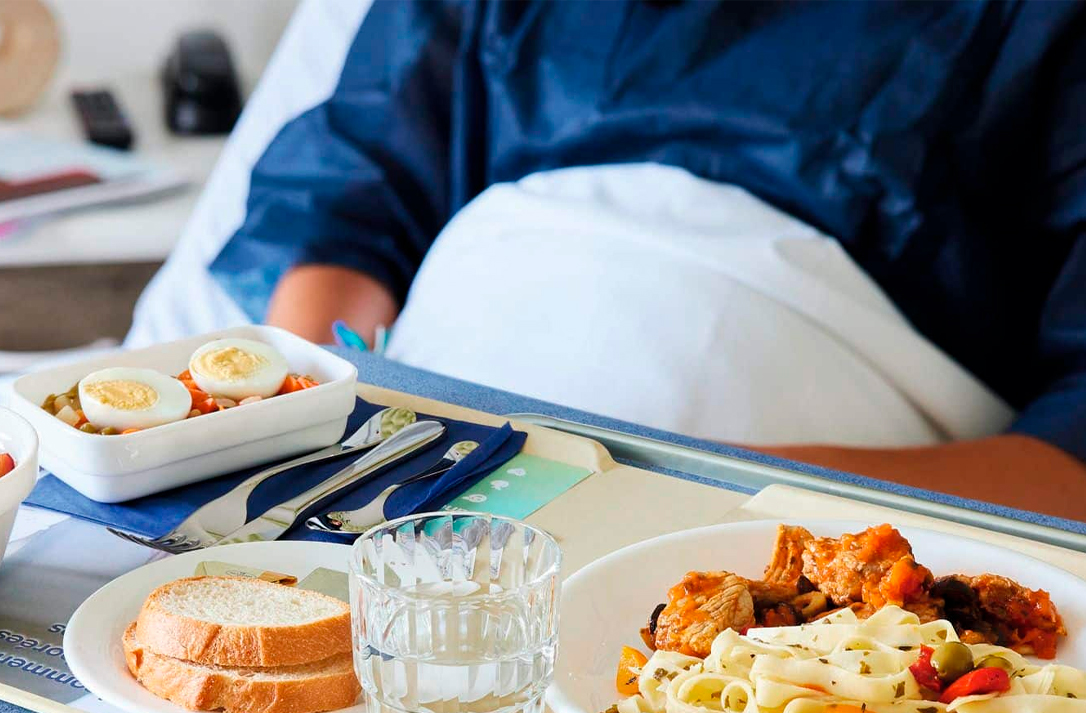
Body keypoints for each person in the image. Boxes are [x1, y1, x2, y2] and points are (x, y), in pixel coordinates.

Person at [210, 0, 1086, 518]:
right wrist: (304, 435)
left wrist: (694, 493)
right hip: (404, 466)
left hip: (785, 531)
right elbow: (349, 201)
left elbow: (1073, 449)